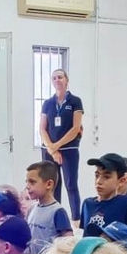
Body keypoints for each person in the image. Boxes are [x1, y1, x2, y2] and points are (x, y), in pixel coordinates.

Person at [38, 68, 84, 219]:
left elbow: (76, 128)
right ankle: (55, 217)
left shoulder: (75, 101)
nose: (57, 80)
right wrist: (51, 149)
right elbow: (42, 128)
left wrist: (56, 146)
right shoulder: (48, 103)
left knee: (71, 185)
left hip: (69, 149)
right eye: (54, 78)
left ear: (66, 80)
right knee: (52, 185)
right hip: (49, 151)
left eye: (60, 77)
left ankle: (76, 219)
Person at [24, 160, 73, 254]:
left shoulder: (58, 211)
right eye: (27, 182)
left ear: (49, 184)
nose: (27, 187)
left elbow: (68, 243)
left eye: (32, 182)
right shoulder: (32, 208)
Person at [80, 154, 127, 237]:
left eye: (106, 177)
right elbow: (85, 236)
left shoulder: (125, 203)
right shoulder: (87, 204)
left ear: (121, 180)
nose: (98, 181)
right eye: (97, 175)